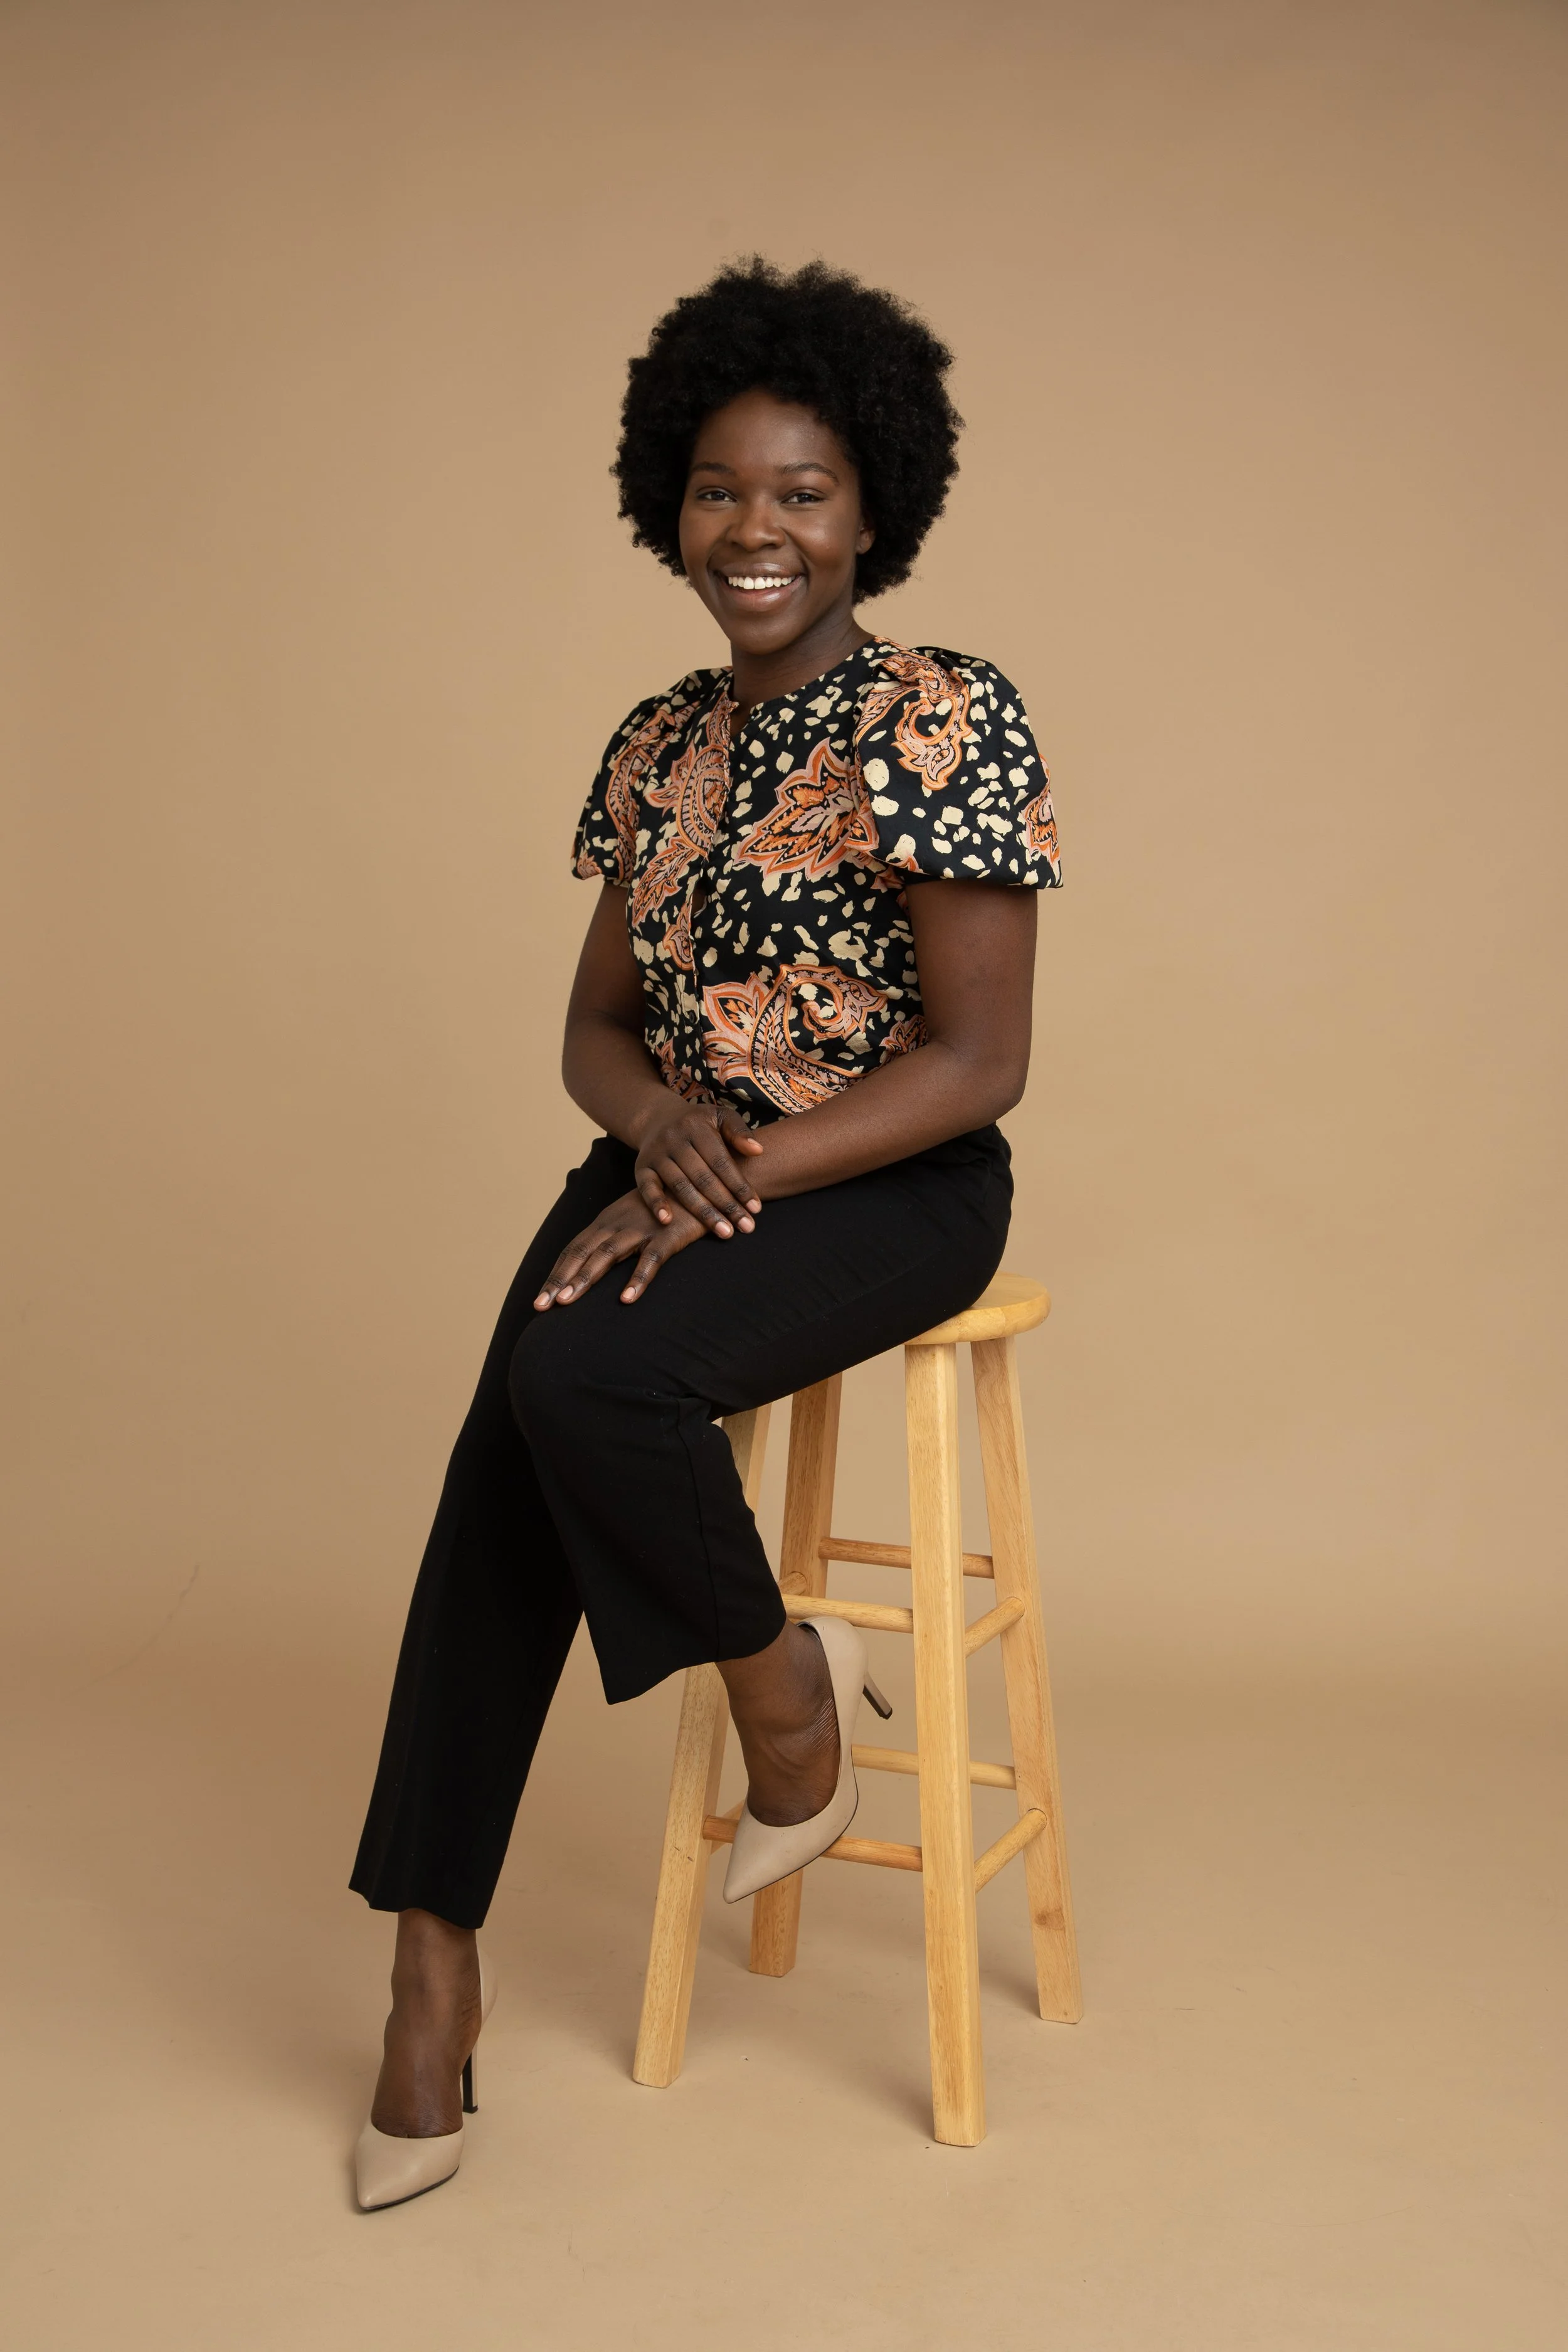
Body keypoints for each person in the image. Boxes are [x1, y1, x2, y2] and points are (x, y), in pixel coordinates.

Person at [349, 257, 1061, 2208]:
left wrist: (747, 1159)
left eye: (804, 491)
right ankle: (431, 1963)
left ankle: (780, 1686)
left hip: (888, 1179)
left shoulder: (941, 717)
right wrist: (654, 1117)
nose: (756, 530)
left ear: (872, 510)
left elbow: (981, 1060)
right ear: (670, 500)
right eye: (723, 490)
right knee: (501, 1456)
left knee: (581, 1368)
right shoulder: (655, 745)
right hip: (686, 1161)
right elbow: (590, 1025)